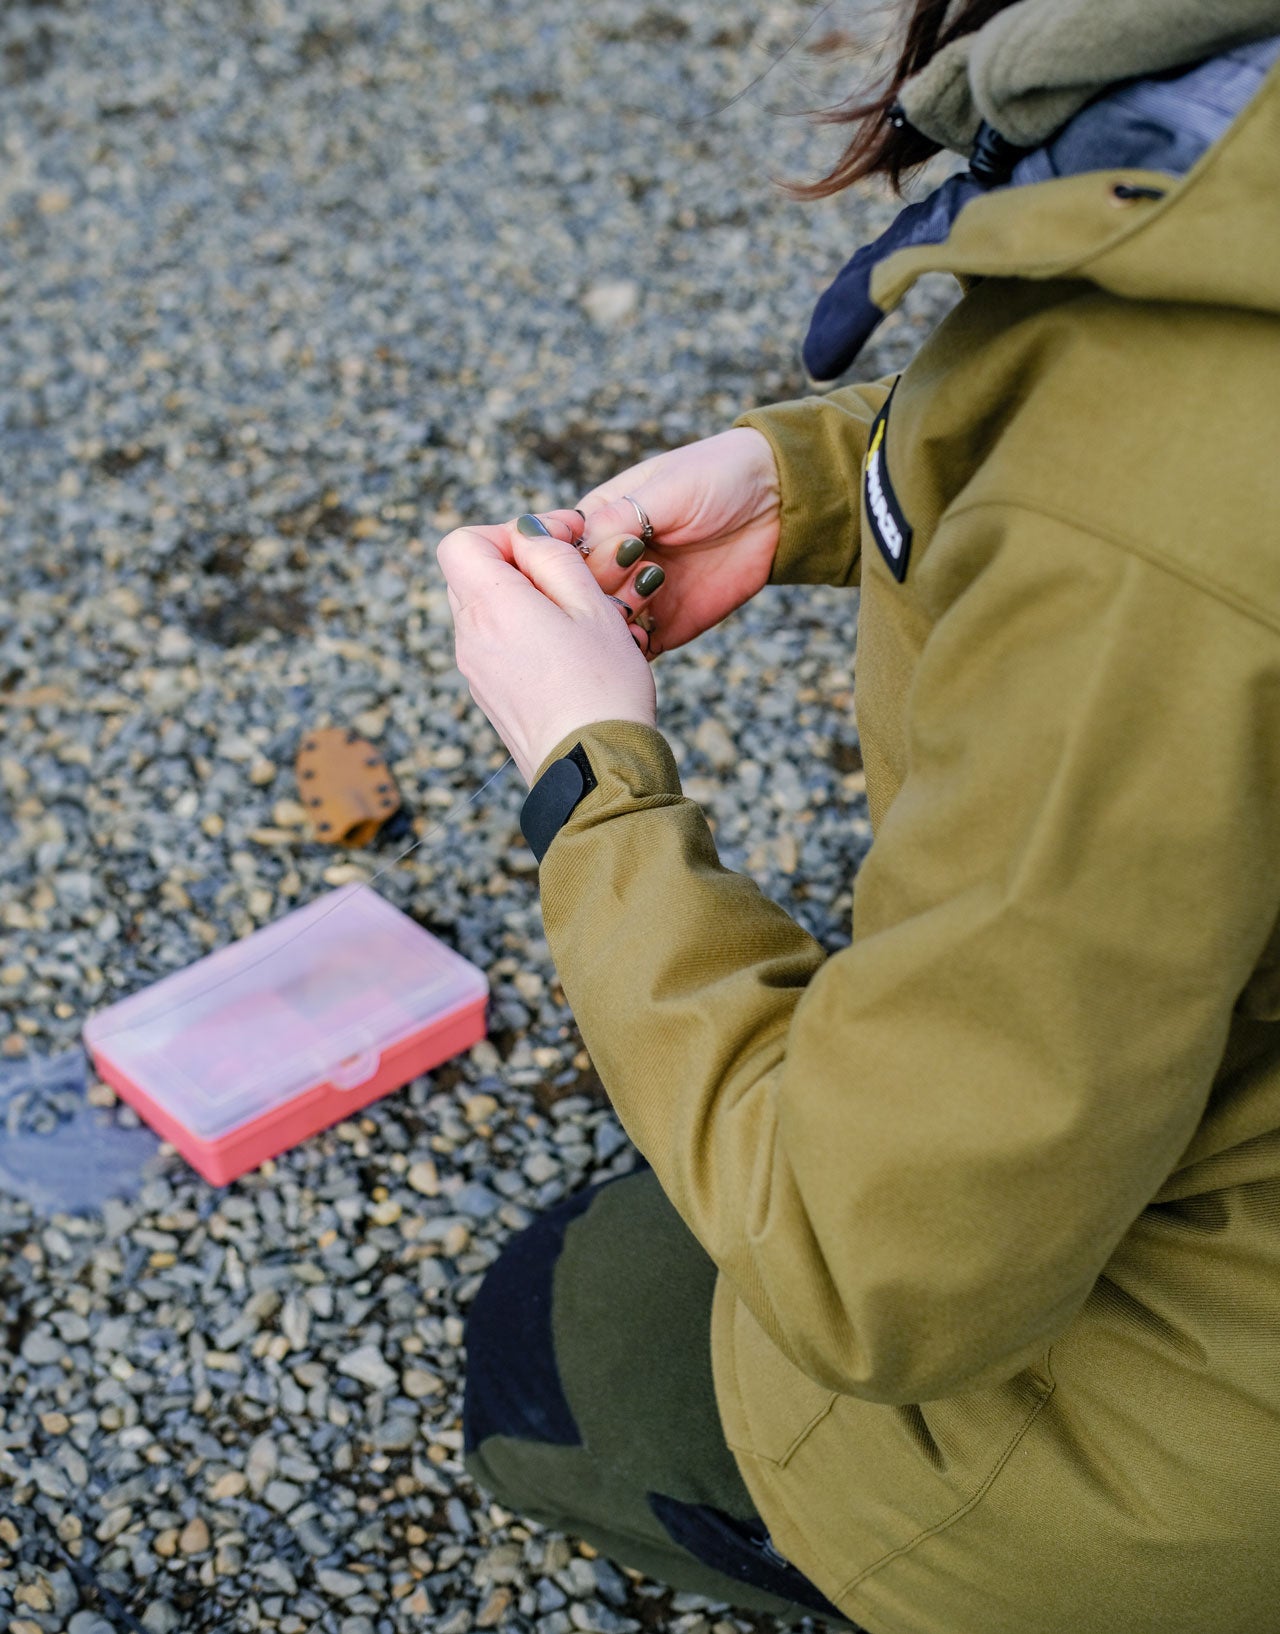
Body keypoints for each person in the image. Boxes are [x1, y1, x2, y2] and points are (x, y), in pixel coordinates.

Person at [438, 1, 1280, 1629]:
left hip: (1201, 1446)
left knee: (549, 1336)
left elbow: (868, 1262)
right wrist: (828, 476)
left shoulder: (1165, 490)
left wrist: (588, 777)